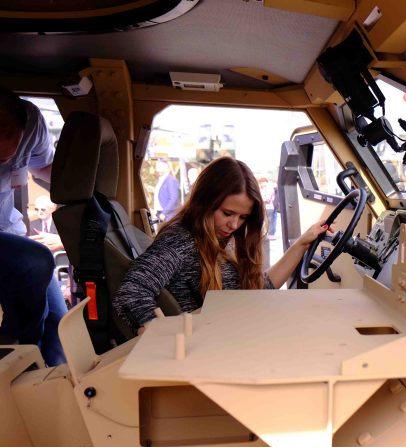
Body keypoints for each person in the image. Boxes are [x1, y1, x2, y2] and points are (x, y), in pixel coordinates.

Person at [113, 157, 330, 335]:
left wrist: (303, 243)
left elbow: (260, 289)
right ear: (205, 202)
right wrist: (159, 335)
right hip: (212, 347)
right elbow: (132, 292)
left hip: (231, 334)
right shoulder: (181, 240)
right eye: (227, 213)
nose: (234, 225)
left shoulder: (216, 240)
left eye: (243, 217)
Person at [0, 87, 66, 365]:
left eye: (7, 158)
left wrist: (78, 178)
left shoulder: (33, 123)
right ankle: (20, 360)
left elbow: (42, 166)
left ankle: (50, 382)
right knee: (35, 260)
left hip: (8, 228)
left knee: (59, 323)